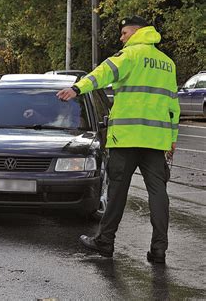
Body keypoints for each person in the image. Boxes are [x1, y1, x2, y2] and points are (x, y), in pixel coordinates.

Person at [57, 16, 180, 263]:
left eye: (124, 33)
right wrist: (172, 139)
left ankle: (105, 241)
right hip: (156, 141)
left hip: (126, 138)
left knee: (117, 193)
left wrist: (77, 88)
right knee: (158, 193)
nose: (121, 38)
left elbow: (103, 72)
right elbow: (173, 106)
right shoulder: (167, 63)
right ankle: (159, 249)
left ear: (136, 32)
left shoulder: (130, 55)